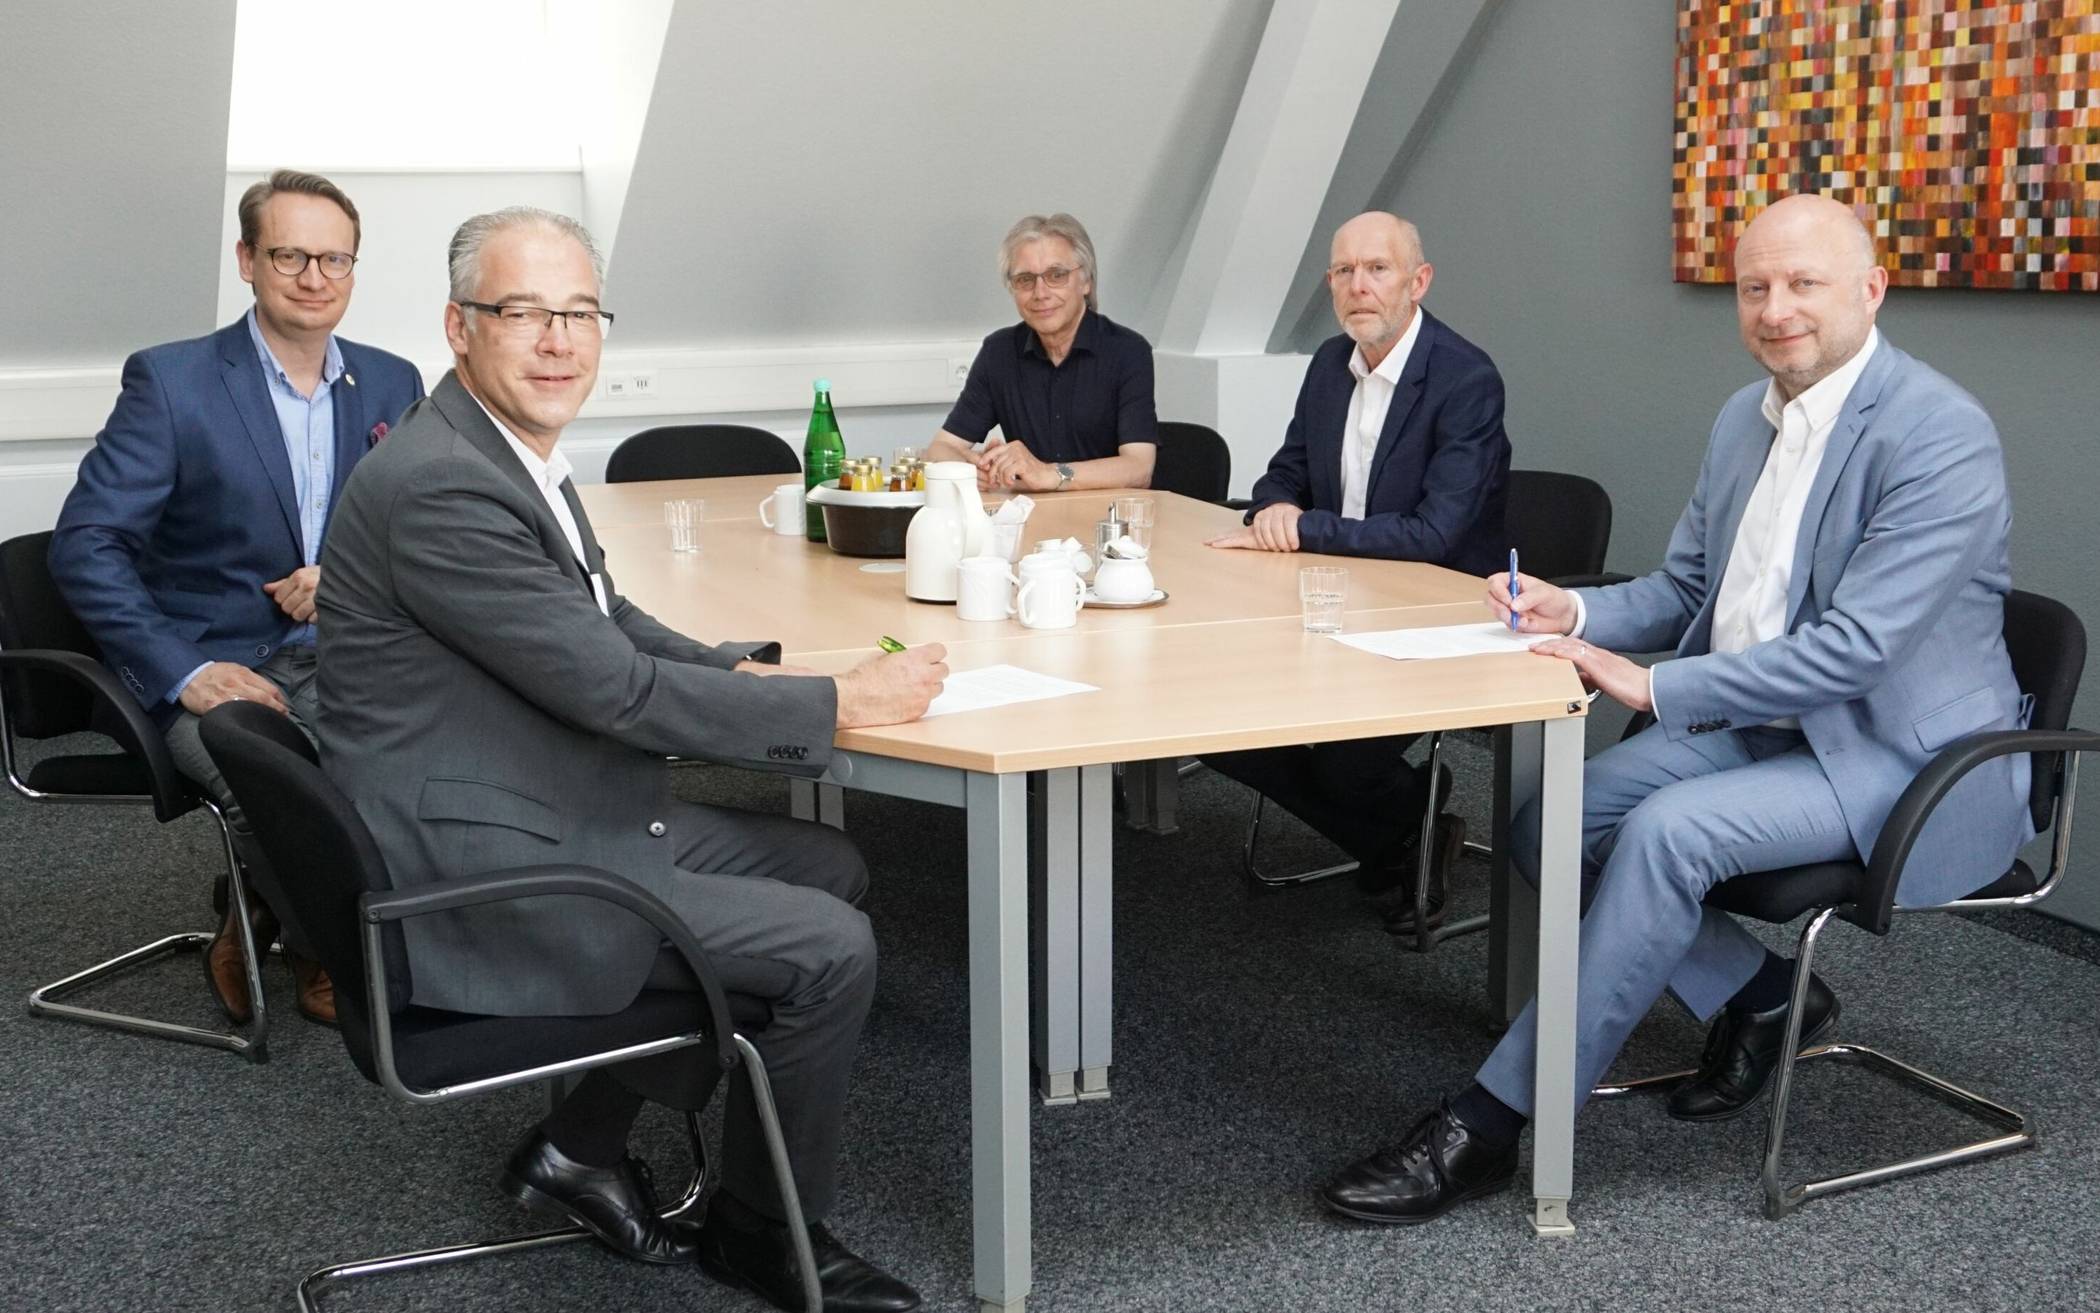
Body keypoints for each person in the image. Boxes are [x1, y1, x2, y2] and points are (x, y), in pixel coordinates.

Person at [1319, 194, 2033, 1225]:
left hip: (1895, 754)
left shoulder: (1939, 434)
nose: (1775, 308)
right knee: (1546, 820)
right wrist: (1574, 607)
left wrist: (1653, 685)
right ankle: (1764, 995)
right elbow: (1691, 590)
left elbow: (1855, 652)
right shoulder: (1746, 419)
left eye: (1804, 283)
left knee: (1661, 835)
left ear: (1872, 290)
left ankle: (1486, 1121)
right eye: (1755, 287)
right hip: (1762, 725)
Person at [318, 206, 940, 1312]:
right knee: (831, 946)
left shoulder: (500, 449)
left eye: (579, 312)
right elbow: (615, 689)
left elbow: (607, 618)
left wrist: (742, 673)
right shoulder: (443, 486)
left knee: (828, 866)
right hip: (481, 866)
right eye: (525, 312)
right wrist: (838, 702)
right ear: (460, 327)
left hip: (522, 798)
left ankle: (577, 1144)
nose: (560, 339)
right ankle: (761, 1232)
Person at [49, 169, 424, 1027]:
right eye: (291, 254)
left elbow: (417, 524)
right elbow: (86, 545)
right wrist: (185, 671)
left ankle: (254, 905)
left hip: (346, 651)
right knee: (286, 787)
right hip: (214, 658)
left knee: (431, 759)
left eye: (336, 258)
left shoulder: (393, 381)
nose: (315, 277)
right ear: (248, 260)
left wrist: (346, 570)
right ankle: (331, 948)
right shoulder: (174, 381)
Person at [1202, 212, 1511, 925]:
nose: (1358, 286)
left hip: (1441, 615)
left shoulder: (1466, 380)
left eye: (1378, 269)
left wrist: (1303, 526)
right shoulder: (1326, 365)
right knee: (1219, 724)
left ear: (1418, 281)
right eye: (1344, 271)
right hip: (1332, 604)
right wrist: (1274, 508)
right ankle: (1406, 824)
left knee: (1341, 752)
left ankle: (1401, 823)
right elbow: (1285, 474)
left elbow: (1436, 534)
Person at [924, 212, 1158, 492]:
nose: (1040, 292)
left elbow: (1139, 468)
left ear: (1086, 282)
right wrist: (969, 469)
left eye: (1056, 275)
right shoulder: (998, 352)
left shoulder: (1128, 351)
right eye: (1025, 279)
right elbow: (941, 447)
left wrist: (1051, 474)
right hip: (1031, 518)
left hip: (1109, 523)